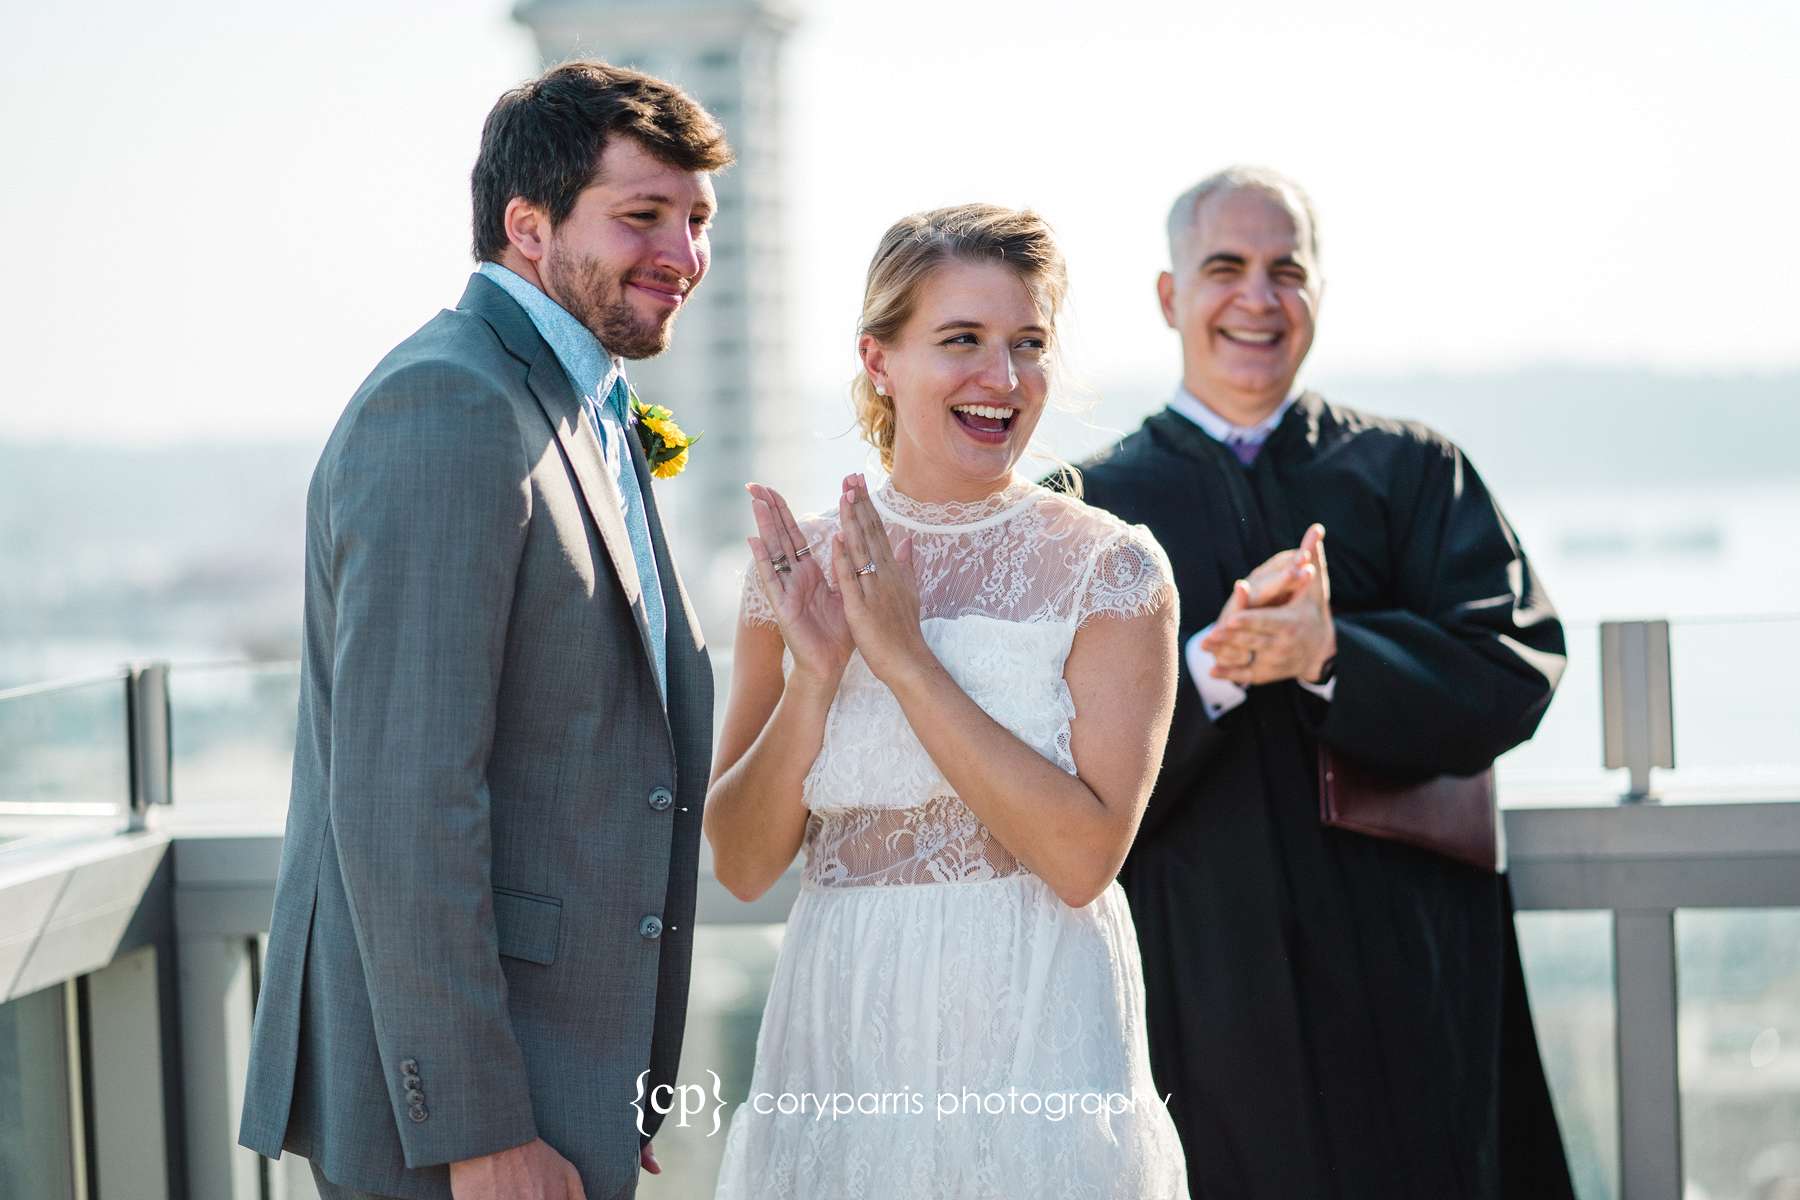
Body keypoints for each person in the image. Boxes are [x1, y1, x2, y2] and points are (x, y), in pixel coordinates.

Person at [236, 61, 727, 1200]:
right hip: (463, 1118)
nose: (685, 256)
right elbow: (403, 801)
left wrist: (616, 1077)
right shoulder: (451, 405)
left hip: (564, 1065)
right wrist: (481, 1128)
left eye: (698, 221)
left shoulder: (586, 405)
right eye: (644, 215)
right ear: (527, 224)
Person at [1073, 166, 1576, 1198]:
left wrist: (1332, 655)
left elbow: (1513, 668)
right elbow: (1052, 765)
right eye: (1225, 268)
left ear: (1316, 295)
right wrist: (1209, 670)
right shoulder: (1088, 511)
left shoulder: (1412, 472)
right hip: (1199, 988)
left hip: (1410, 977)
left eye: (1285, 271)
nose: (1258, 298)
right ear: (1171, 297)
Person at [704, 204, 1189, 1198]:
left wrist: (909, 662)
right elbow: (745, 865)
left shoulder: (1113, 569)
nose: (1001, 380)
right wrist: (819, 677)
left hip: (1040, 1035)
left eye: (1028, 345)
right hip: (842, 1031)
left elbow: (1081, 858)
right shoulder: (792, 571)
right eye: (961, 340)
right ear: (879, 359)